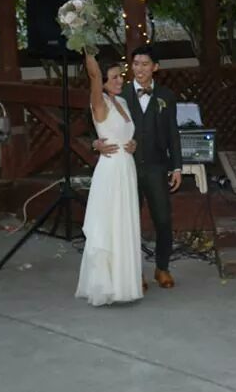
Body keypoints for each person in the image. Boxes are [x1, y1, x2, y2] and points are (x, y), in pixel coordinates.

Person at [94, 45, 182, 289]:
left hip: (156, 166)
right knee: (128, 222)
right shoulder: (119, 94)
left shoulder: (166, 96)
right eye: (135, 64)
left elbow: (173, 134)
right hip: (126, 167)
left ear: (155, 67)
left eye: (145, 64)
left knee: (163, 219)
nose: (139, 69)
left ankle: (162, 267)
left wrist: (177, 167)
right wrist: (95, 143)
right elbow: (96, 122)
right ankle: (134, 273)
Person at [76, 56, 143, 306]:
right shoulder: (99, 102)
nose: (119, 80)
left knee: (124, 223)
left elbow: (125, 132)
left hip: (127, 167)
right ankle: (107, 285)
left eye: (120, 76)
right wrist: (86, 47)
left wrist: (133, 143)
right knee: (110, 224)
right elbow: (94, 75)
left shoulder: (122, 101)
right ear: (103, 81)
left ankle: (126, 283)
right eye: (114, 77)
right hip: (111, 170)